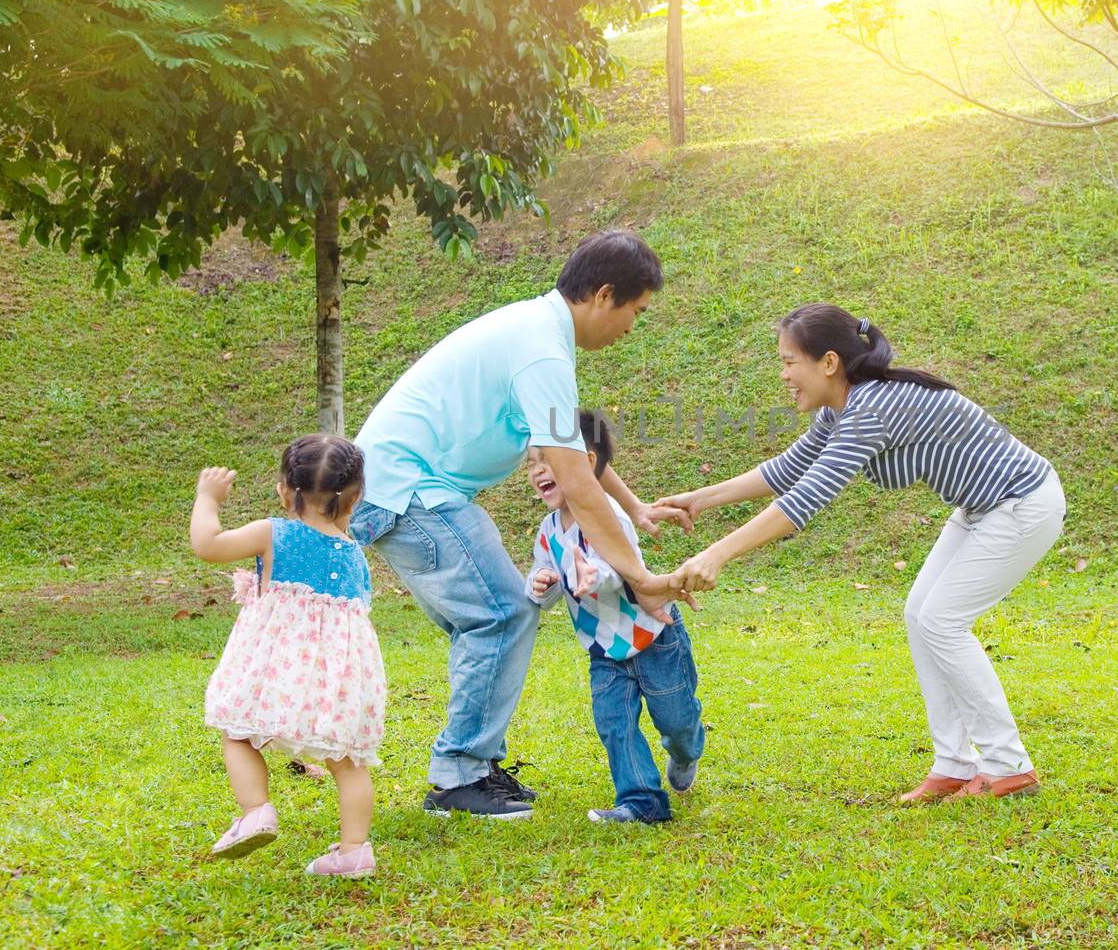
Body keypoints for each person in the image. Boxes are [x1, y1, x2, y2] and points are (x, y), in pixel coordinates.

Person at [659, 303, 1066, 803]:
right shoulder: (841, 408)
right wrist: (699, 499)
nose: (783, 374)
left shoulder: (871, 409)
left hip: (1022, 503)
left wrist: (718, 553)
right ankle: (956, 764)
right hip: (983, 508)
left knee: (941, 620)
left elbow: (805, 500)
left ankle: (1007, 764)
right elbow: (790, 470)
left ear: (828, 362)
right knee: (921, 615)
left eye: (790, 362)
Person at [350, 229, 690, 820]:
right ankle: (459, 775)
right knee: (503, 612)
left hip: (403, 489)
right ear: (604, 295)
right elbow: (575, 483)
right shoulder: (542, 350)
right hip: (407, 491)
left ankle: (471, 767)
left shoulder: (537, 334)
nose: (632, 327)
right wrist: (641, 579)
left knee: (488, 620)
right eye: (635, 311)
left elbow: (573, 453)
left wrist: (634, 508)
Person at [191, 434, 386, 878]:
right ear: (354, 499)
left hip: (276, 664)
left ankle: (256, 811)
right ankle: (354, 851)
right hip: (339, 675)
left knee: (238, 731)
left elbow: (208, 545)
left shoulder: (272, 533)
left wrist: (208, 498)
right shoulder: (355, 555)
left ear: (284, 489)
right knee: (348, 761)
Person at [525, 410, 705, 824]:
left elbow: (622, 568)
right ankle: (642, 802)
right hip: (603, 648)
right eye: (531, 464)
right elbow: (545, 578)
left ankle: (688, 748)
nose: (538, 472)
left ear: (586, 464)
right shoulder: (548, 530)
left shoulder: (610, 514)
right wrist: (541, 581)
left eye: (547, 460)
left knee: (676, 721)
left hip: (653, 636)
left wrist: (593, 574)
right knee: (614, 724)